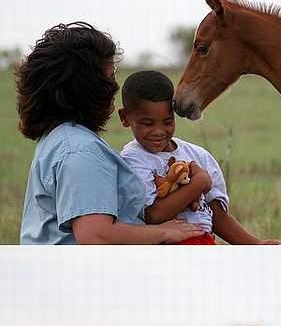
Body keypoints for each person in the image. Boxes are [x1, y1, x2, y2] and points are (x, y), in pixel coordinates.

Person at [16, 23, 198, 246]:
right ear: (88, 86)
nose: (114, 87)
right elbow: (96, 235)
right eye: (110, 77)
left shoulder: (60, 138)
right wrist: (164, 232)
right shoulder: (81, 152)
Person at [119, 70, 280, 244]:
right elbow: (154, 215)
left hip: (205, 242)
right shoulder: (132, 160)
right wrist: (199, 183)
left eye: (167, 122)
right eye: (147, 123)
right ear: (125, 118)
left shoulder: (197, 155)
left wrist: (256, 245)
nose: (158, 131)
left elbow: (217, 215)